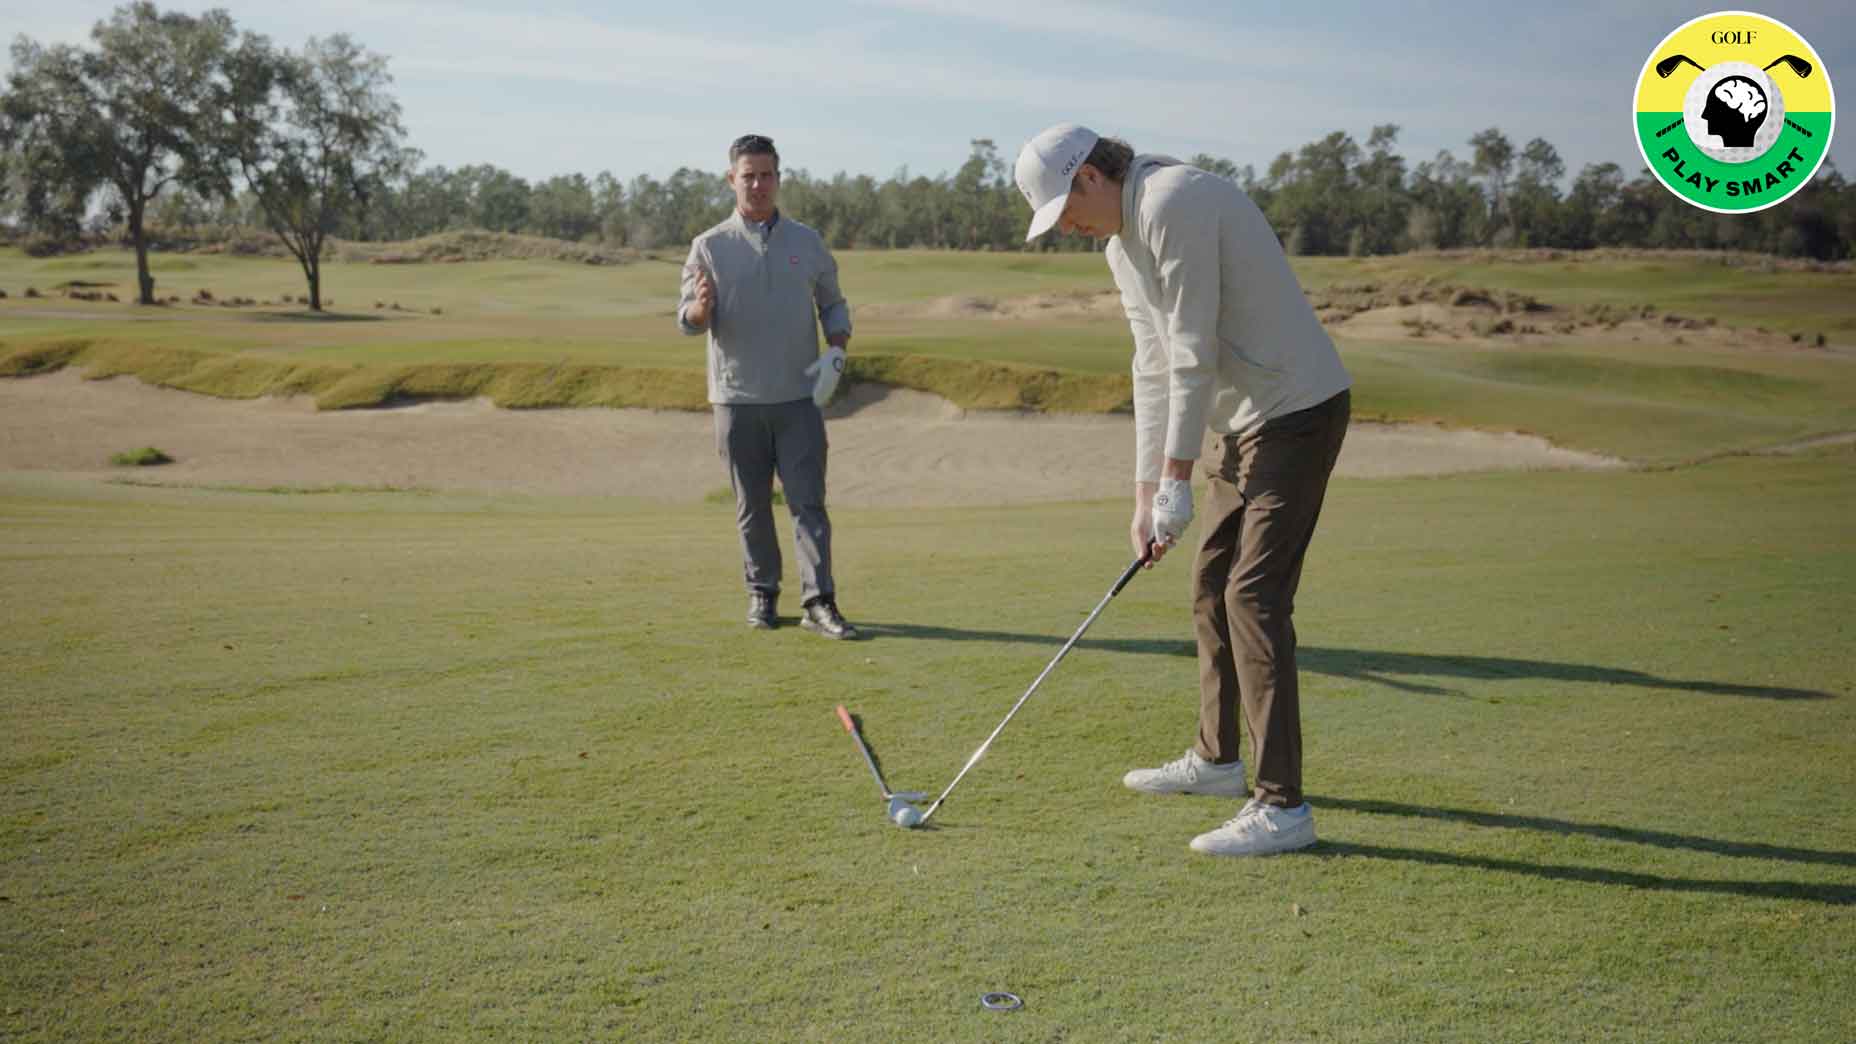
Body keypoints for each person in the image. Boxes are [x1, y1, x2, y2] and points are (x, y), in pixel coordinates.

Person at [1015, 123, 1352, 856]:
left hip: (1296, 409)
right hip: (1242, 424)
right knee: (1209, 583)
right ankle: (1218, 761)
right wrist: (1145, 496)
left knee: (1252, 596)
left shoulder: (1172, 201)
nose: (1068, 228)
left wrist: (1177, 478)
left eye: (1066, 210)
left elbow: (1194, 353)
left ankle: (1282, 806)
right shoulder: (1119, 243)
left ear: (1090, 179)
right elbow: (1152, 365)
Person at [678, 133, 858, 639]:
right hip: (737, 401)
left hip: (799, 398)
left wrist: (837, 348)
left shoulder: (807, 241)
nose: (758, 184)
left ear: (779, 178)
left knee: (808, 504)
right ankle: (763, 594)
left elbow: (833, 303)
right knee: (751, 506)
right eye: (749, 175)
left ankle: (819, 601)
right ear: (731, 179)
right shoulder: (709, 246)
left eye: (767, 175)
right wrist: (700, 310)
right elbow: (686, 318)